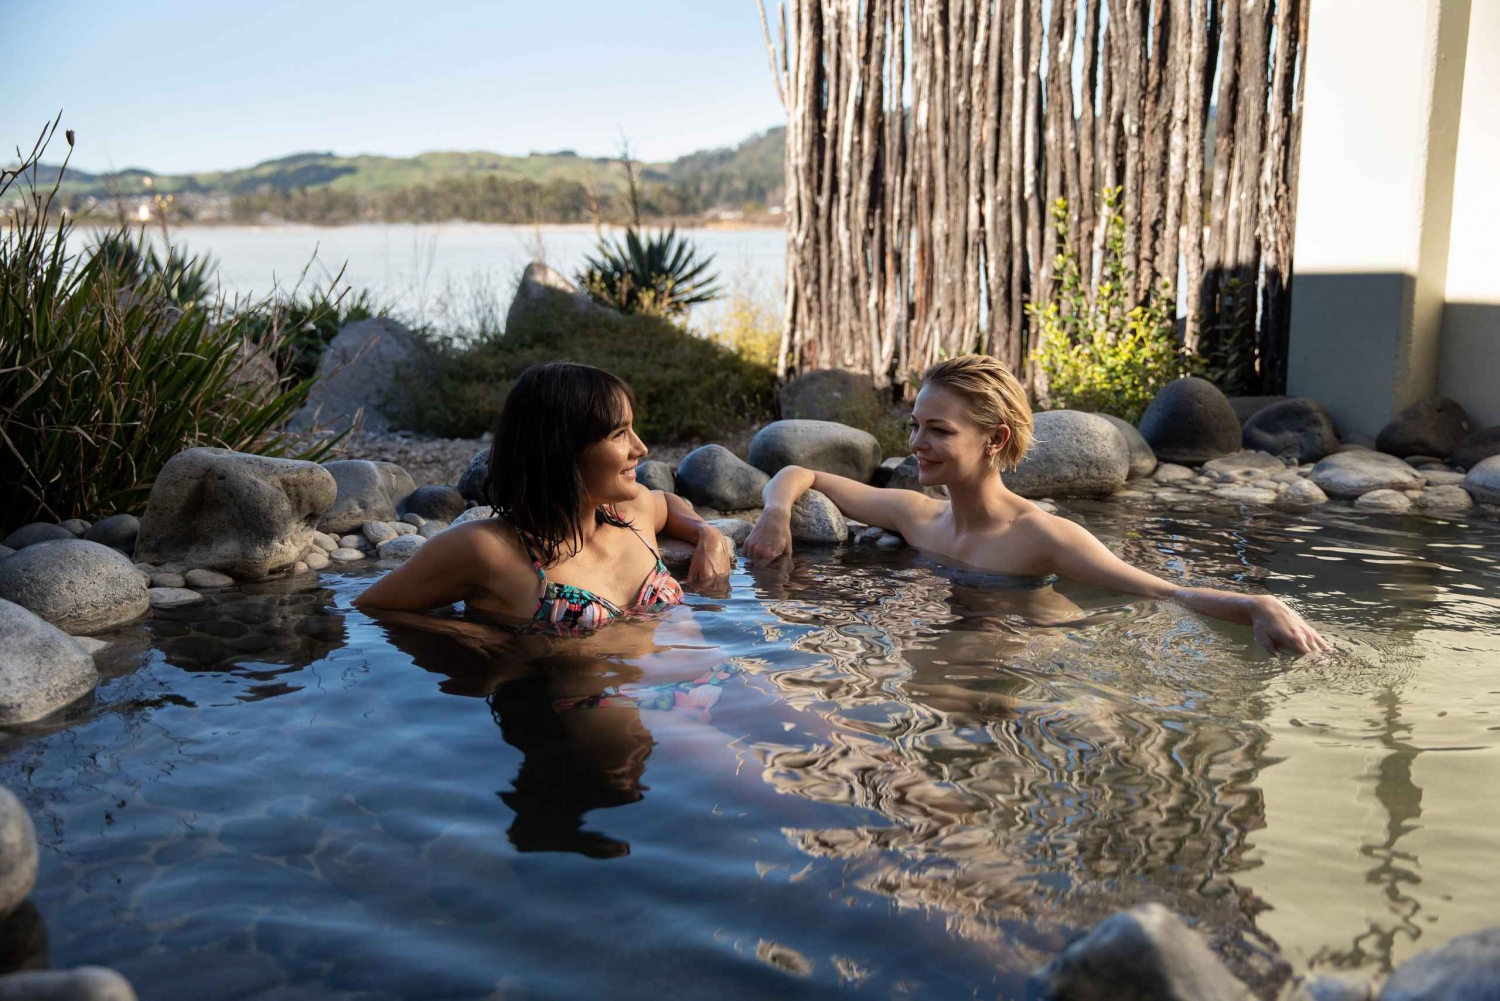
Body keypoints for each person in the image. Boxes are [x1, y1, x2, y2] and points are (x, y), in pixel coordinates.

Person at [743, 354, 1330, 655]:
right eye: (915, 425)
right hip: (968, 643)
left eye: (939, 430)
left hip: (1036, 654)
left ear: (994, 439)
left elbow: (1163, 593)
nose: (917, 443)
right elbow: (799, 472)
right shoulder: (917, 515)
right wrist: (775, 514)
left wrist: (1258, 604)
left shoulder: (1041, 535)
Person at [355, 361, 733, 629]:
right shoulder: (489, 549)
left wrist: (708, 534)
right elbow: (372, 607)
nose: (641, 448)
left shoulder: (631, 512)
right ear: (562, 449)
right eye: (619, 434)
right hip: (610, 707)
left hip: (707, 687)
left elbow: (666, 503)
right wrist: (468, 637)